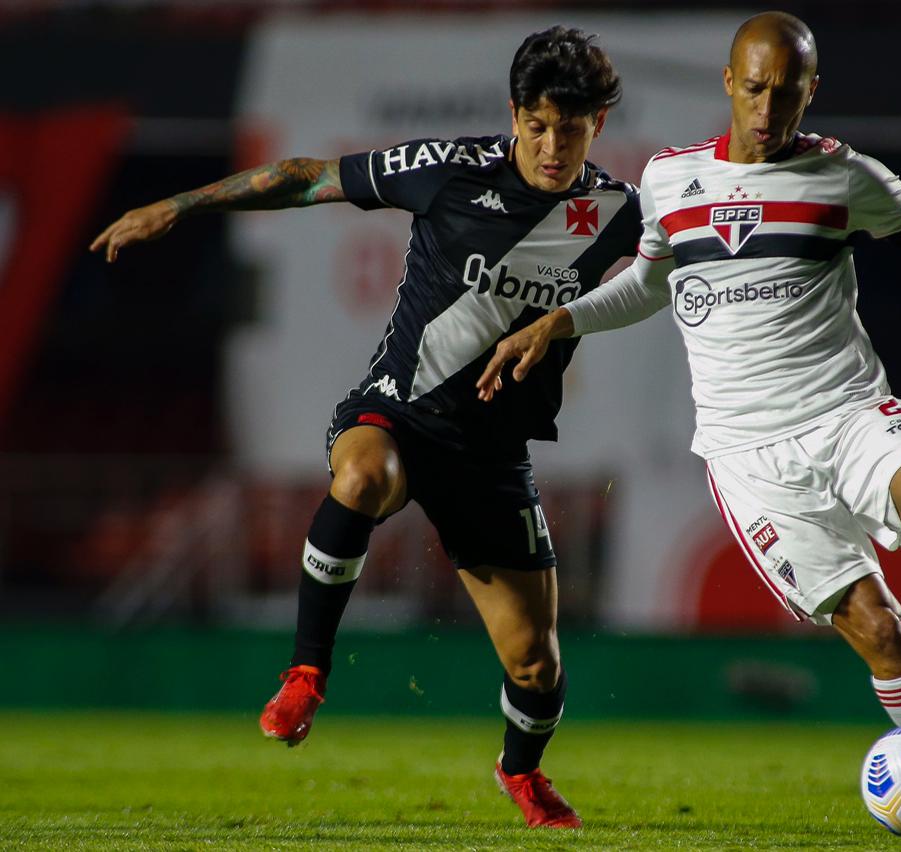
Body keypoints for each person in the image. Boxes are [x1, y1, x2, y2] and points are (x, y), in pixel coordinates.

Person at [477, 11, 901, 845]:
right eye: (755, 88)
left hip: (848, 412)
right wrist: (562, 323)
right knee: (881, 631)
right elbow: (649, 283)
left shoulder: (843, 177)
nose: (768, 109)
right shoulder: (669, 179)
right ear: (729, 83)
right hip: (748, 456)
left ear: (811, 92)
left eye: (787, 92)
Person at [90, 25, 643, 830]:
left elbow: (686, 264)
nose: (555, 143)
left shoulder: (619, 213)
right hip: (398, 413)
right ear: (516, 114)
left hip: (490, 458)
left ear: (598, 123)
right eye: (541, 123)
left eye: (575, 124)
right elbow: (306, 176)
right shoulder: (451, 171)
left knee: (536, 662)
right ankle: (307, 674)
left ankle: (520, 773)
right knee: (363, 477)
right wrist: (177, 205)